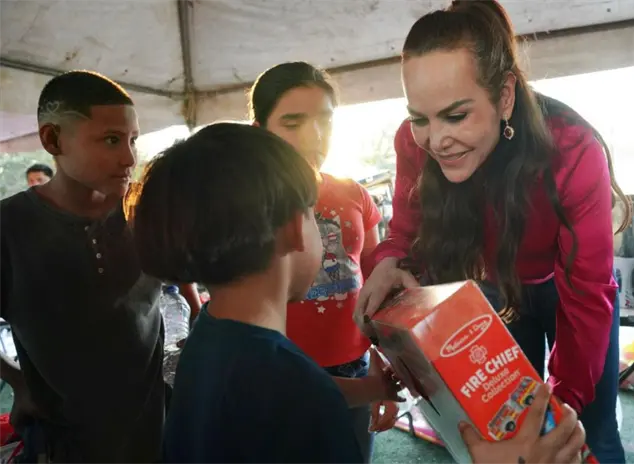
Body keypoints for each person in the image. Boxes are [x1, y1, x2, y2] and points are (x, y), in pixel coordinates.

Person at [133, 122, 588, 464]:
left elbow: (279, 390)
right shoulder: (297, 390)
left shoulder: (212, 338)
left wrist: (370, 387)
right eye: (313, 215)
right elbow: (298, 394)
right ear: (295, 229)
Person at [354, 1, 632, 461]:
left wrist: (560, 407)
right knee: (500, 424)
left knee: (581, 429)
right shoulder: (413, 142)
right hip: (498, 291)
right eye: (420, 117)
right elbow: (405, 228)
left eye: (456, 115)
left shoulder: (572, 149)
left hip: (573, 292)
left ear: (505, 96)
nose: (435, 139)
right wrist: (389, 261)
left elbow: (586, 291)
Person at [0, 70, 196, 463]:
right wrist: (18, 382)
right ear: (53, 139)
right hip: (65, 443)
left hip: (153, 433)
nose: (128, 157)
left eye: (132, 140)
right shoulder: (10, 226)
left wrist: (199, 319)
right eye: (110, 140)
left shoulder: (143, 214)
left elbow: (185, 280)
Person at [248, 62, 397, 462]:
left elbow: (374, 284)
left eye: (324, 121)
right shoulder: (244, 203)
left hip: (355, 363)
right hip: (282, 370)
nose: (314, 136)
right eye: (292, 123)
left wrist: (380, 365)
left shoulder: (354, 193)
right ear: (261, 130)